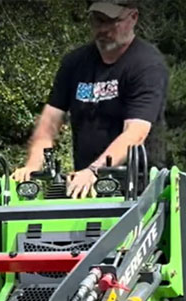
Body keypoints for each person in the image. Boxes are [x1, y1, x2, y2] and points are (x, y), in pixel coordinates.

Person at [13, 0, 169, 198]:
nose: (102, 29)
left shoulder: (147, 65)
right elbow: (49, 121)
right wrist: (33, 167)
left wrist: (95, 171)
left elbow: (135, 133)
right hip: (84, 184)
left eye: (111, 21)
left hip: (138, 187)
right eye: (97, 20)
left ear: (133, 17)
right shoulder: (75, 63)